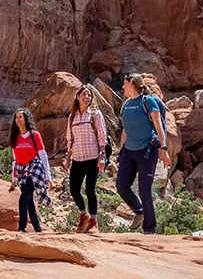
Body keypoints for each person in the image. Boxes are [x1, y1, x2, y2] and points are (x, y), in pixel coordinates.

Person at [116, 73, 170, 235]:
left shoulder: (148, 101)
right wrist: (120, 151)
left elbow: (158, 126)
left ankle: (149, 229)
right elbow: (125, 130)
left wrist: (164, 149)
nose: (123, 86)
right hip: (129, 151)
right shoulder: (126, 105)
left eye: (124, 83)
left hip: (147, 151)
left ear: (131, 83)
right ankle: (139, 211)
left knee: (144, 190)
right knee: (121, 186)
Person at [65, 84, 108, 233]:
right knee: (74, 189)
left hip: (92, 157)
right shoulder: (72, 117)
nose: (87, 97)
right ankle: (84, 214)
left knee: (90, 189)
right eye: (84, 94)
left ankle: (93, 221)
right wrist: (68, 158)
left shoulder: (95, 114)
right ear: (77, 97)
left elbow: (102, 136)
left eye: (89, 95)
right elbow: (70, 139)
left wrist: (102, 156)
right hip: (77, 157)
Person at [9, 107, 52, 233]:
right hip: (22, 171)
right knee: (29, 203)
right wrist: (13, 179)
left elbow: (43, 155)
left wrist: (48, 176)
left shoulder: (34, 135)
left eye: (21, 116)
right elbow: (15, 160)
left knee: (23, 199)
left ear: (26, 119)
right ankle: (38, 229)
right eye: (16, 117)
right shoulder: (14, 137)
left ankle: (21, 227)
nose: (18, 119)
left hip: (34, 170)